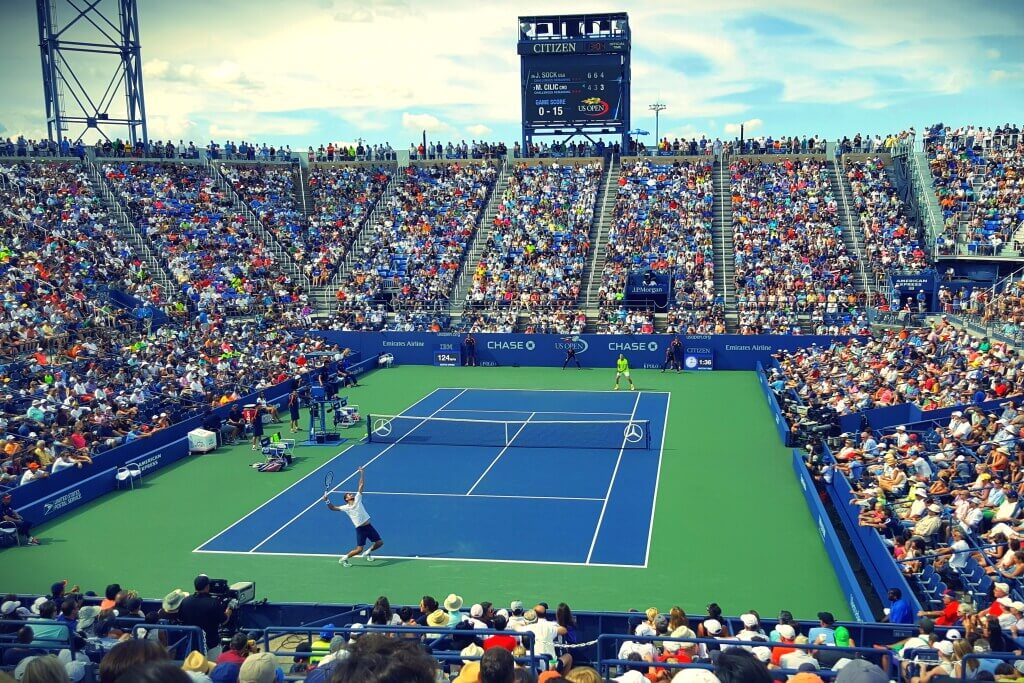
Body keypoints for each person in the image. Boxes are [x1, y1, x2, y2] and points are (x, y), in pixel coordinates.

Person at [325, 467, 384, 567]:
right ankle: (343, 559)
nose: (351, 494)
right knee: (359, 549)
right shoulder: (345, 507)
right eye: (348, 495)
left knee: (379, 543)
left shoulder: (357, 498)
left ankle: (368, 552)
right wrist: (327, 500)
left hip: (369, 526)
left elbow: (361, 485)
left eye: (350, 494)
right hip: (360, 529)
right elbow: (332, 508)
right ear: (346, 499)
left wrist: (362, 473)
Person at [178, 575, 236, 658]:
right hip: (211, 644)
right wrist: (228, 612)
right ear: (207, 586)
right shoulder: (213, 603)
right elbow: (224, 621)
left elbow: (181, 619)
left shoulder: (185, 601)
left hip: (190, 644)